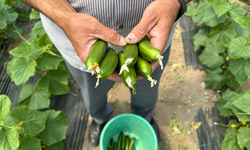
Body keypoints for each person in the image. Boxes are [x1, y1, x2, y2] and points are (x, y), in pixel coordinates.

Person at [22, 0, 190, 146]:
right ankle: (100, 118)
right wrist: (66, 18)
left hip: (152, 38)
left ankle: (143, 115)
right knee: (92, 94)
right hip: (80, 42)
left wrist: (174, 2)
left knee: (147, 88)